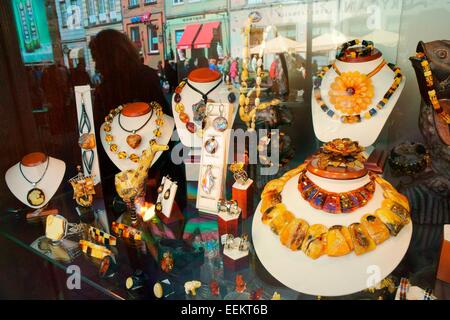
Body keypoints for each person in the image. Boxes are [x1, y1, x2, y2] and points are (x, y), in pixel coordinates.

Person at [89, 29, 186, 209]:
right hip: (153, 162)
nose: (95, 65)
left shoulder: (105, 89)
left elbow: (100, 136)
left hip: (125, 169)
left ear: (107, 57)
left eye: (96, 58)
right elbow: (165, 119)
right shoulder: (146, 76)